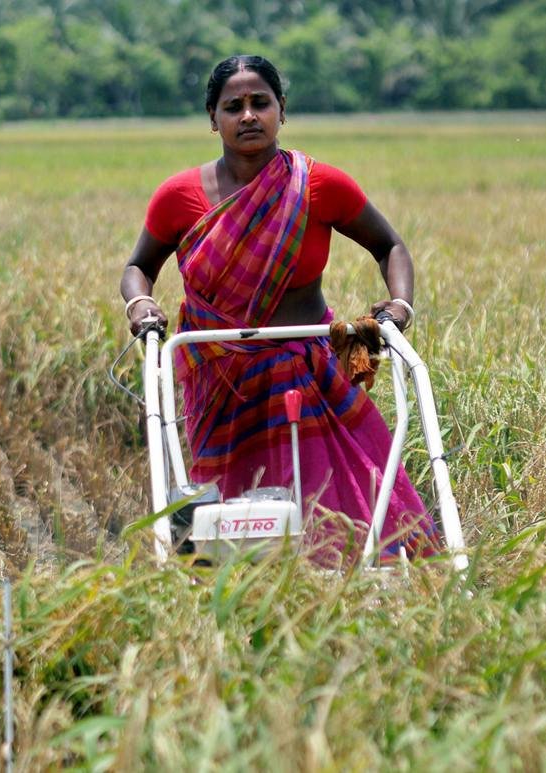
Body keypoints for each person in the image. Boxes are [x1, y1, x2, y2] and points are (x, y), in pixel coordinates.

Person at [120, 55, 434, 558]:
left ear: (281, 111)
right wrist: (140, 305)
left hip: (306, 371)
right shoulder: (178, 197)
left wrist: (400, 305)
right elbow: (138, 267)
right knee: (225, 510)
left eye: (260, 103)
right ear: (212, 118)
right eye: (233, 106)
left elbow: (390, 246)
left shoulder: (317, 185)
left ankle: (350, 580)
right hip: (221, 379)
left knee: (338, 494)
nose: (248, 116)